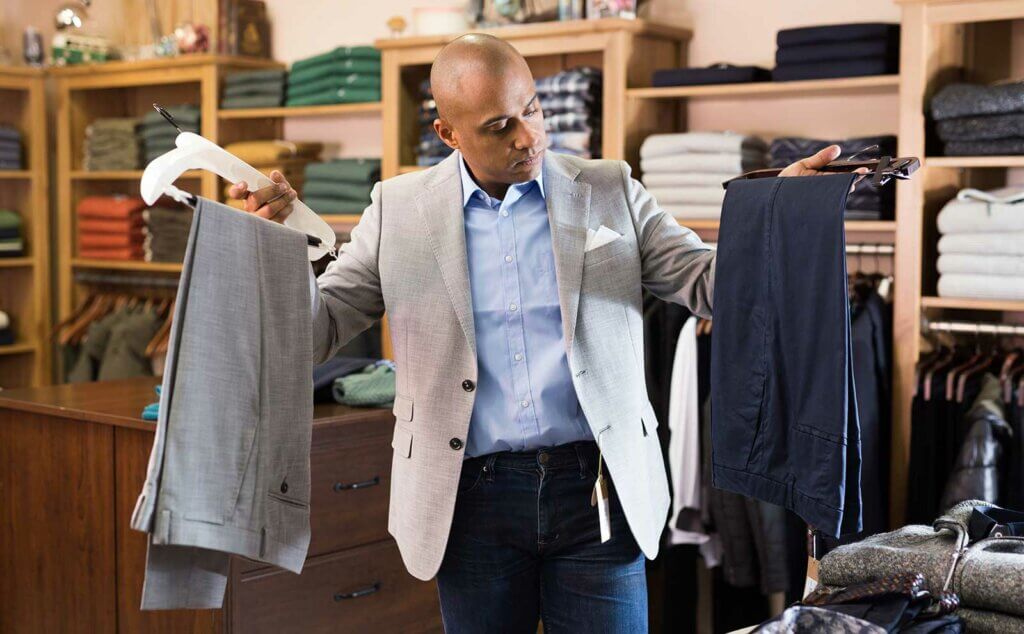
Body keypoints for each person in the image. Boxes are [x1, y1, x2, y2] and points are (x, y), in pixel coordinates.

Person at [229, 33, 865, 634]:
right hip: (465, 499)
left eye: (530, 109)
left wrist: (782, 216)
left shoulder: (610, 187)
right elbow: (318, 332)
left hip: (597, 489)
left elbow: (709, 283)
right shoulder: (397, 209)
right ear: (447, 133)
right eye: (498, 126)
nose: (528, 136)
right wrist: (273, 249)